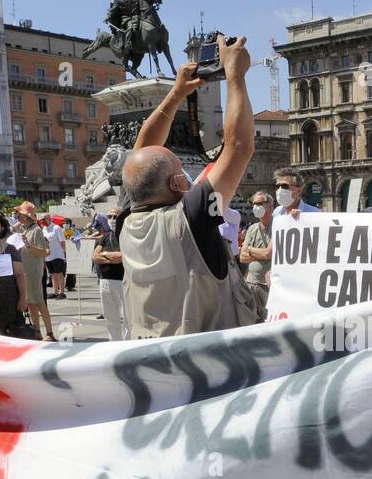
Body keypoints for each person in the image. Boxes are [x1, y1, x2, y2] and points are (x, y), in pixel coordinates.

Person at [119, 41, 259, 338]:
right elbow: (238, 147)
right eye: (181, 169)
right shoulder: (192, 217)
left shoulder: (126, 220)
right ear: (177, 183)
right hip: (211, 365)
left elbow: (141, 154)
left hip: (149, 358)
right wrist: (236, 75)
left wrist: (177, 93)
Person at [15, 202, 56, 341]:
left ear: (26, 216)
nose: (17, 217)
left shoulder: (36, 230)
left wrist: (28, 245)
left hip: (33, 270)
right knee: (31, 302)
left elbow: (44, 252)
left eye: (19, 214)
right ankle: (37, 331)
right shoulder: (24, 229)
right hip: (25, 269)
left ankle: (49, 332)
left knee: (38, 301)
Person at [91, 213, 126, 340]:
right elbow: (95, 256)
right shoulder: (105, 236)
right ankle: (114, 342)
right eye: (109, 216)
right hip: (105, 281)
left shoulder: (125, 234)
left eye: (115, 216)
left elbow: (122, 257)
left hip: (121, 281)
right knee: (110, 316)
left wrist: (104, 255)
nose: (111, 219)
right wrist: (111, 257)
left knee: (126, 316)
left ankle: (128, 344)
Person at [241, 191, 274, 319]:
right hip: (250, 282)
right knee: (251, 320)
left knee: (268, 319)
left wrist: (249, 249)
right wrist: (259, 253)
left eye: (260, 203)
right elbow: (243, 257)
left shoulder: (277, 224)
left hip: (267, 285)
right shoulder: (252, 228)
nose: (256, 206)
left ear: (270, 206)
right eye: (254, 203)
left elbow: (268, 253)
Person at [43, 214, 68, 299]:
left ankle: (62, 292)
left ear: (49, 219)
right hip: (48, 255)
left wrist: (64, 252)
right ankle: (55, 292)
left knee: (59, 273)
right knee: (52, 274)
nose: (43, 221)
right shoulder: (44, 229)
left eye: (44, 219)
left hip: (57, 254)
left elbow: (62, 241)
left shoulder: (56, 228)